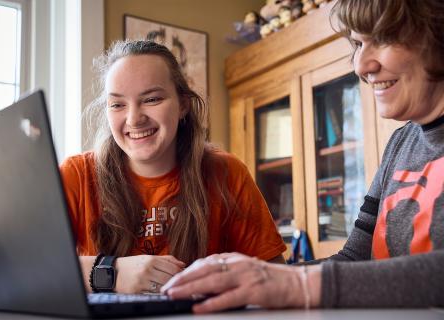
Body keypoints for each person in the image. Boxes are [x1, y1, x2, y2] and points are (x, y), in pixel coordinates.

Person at [162, 0, 444, 312]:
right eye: (359, 43)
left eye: (383, 38)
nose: (361, 66)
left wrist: (294, 284)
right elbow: (354, 258)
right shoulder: (401, 143)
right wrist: (250, 279)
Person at [59, 40, 286, 295]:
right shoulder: (76, 175)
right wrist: (112, 273)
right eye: (118, 104)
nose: (134, 118)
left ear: (183, 105)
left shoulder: (227, 172)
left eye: (152, 99)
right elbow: (28, 269)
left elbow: (276, 279)